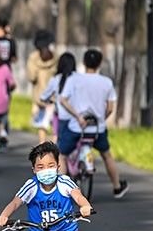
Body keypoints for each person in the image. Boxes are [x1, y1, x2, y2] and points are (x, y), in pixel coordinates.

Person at [58, 49, 129, 198]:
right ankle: (117, 187)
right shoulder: (107, 82)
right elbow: (110, 108)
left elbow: (63, 100)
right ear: (100, 64)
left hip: (76, 128)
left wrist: (77, 116)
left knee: (62, 155)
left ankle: (60, 192)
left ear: (83, 63)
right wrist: (101, 118)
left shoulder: (74, 79)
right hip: (97, 130)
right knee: (106, 155)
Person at [27, 30, 58, 143]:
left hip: (39, 97)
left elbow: (31, 77)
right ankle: (54, 149)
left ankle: (42, 146)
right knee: (55, 126)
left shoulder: (33, 58)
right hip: (54, 98)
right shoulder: (55, 58)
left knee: (42, 126)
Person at [39, 52, 77, 141]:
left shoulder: (56, 79)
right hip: (76, 115)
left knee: (56, 136)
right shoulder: (78, 78)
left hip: (61, 115)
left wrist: (48, 100)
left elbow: (44, 96)